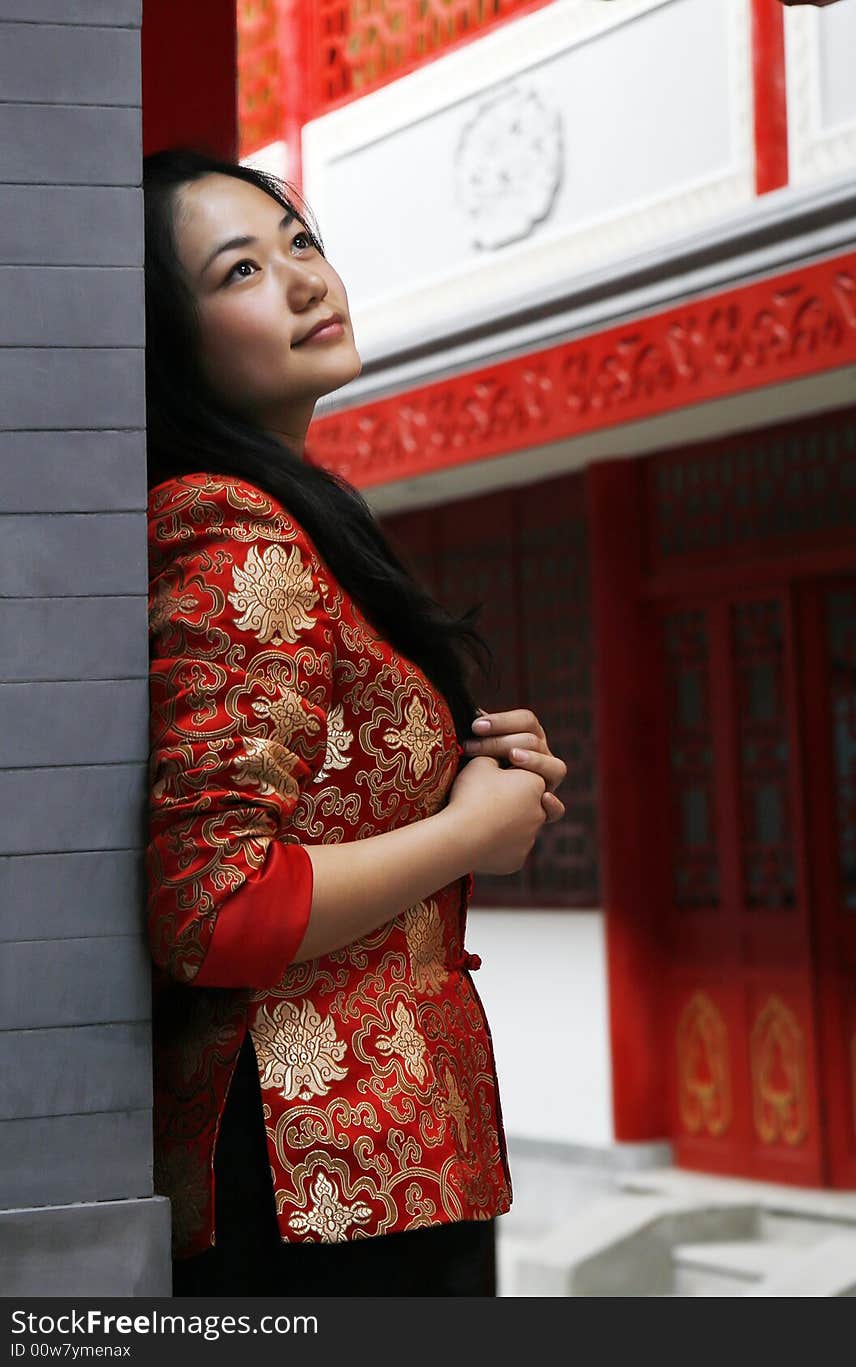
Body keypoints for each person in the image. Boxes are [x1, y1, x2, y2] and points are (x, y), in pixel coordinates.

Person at [143, 149, 568, 1297]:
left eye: (300, 241)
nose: (301, 278)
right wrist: (470, 833)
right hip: (306, 1173)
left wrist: (471, 777)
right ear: (165, 338)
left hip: (377, 1156)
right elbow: (212, 904)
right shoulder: (234, 530)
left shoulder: (295, 514)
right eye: (239, 268)